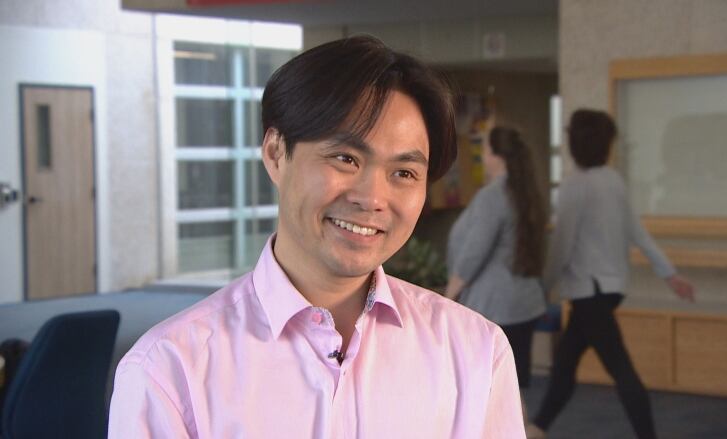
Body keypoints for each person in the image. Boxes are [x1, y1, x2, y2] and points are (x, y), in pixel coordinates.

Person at [108, 36, 527, 438]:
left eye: (404, 173)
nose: (373, 198)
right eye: (345, 158)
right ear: (275, 153)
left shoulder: (475, 351)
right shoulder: (170, 368)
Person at [526, 109, 695, 439]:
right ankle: (538, 427)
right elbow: (639, 233)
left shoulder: (575, 187)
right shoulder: (613, 181)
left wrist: (543, 287)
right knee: (564, 364)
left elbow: (562, 246)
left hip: (590, 292)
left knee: (620, 369)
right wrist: (670, 274)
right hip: (609, 289)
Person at [445, 126, 547, 394]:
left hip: (495, 308)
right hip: (526, 304)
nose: (483, 156)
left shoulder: (492, 196)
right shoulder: (525, 192)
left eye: (485, 150)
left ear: (496, 155)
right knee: (513, 389)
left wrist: (449, 296)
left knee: (486, 390)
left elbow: (474, 252)